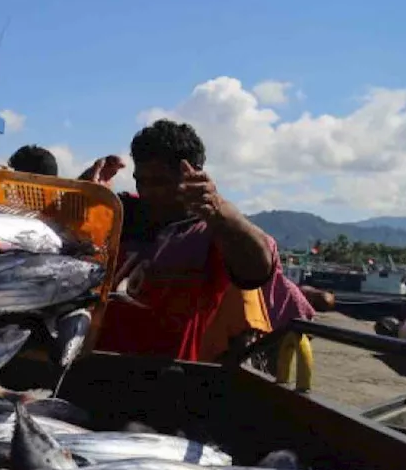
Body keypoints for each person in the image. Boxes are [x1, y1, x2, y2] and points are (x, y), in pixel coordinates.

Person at [93, 120, 279, 361]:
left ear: (194, 173)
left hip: (169, 380)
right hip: (94, 368)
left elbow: (258, 270)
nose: (148, 191)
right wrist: (86, 192)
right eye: (141, 180)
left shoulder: (209, 232)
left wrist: (219, 209)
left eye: (160, 182)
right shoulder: (121, 212)